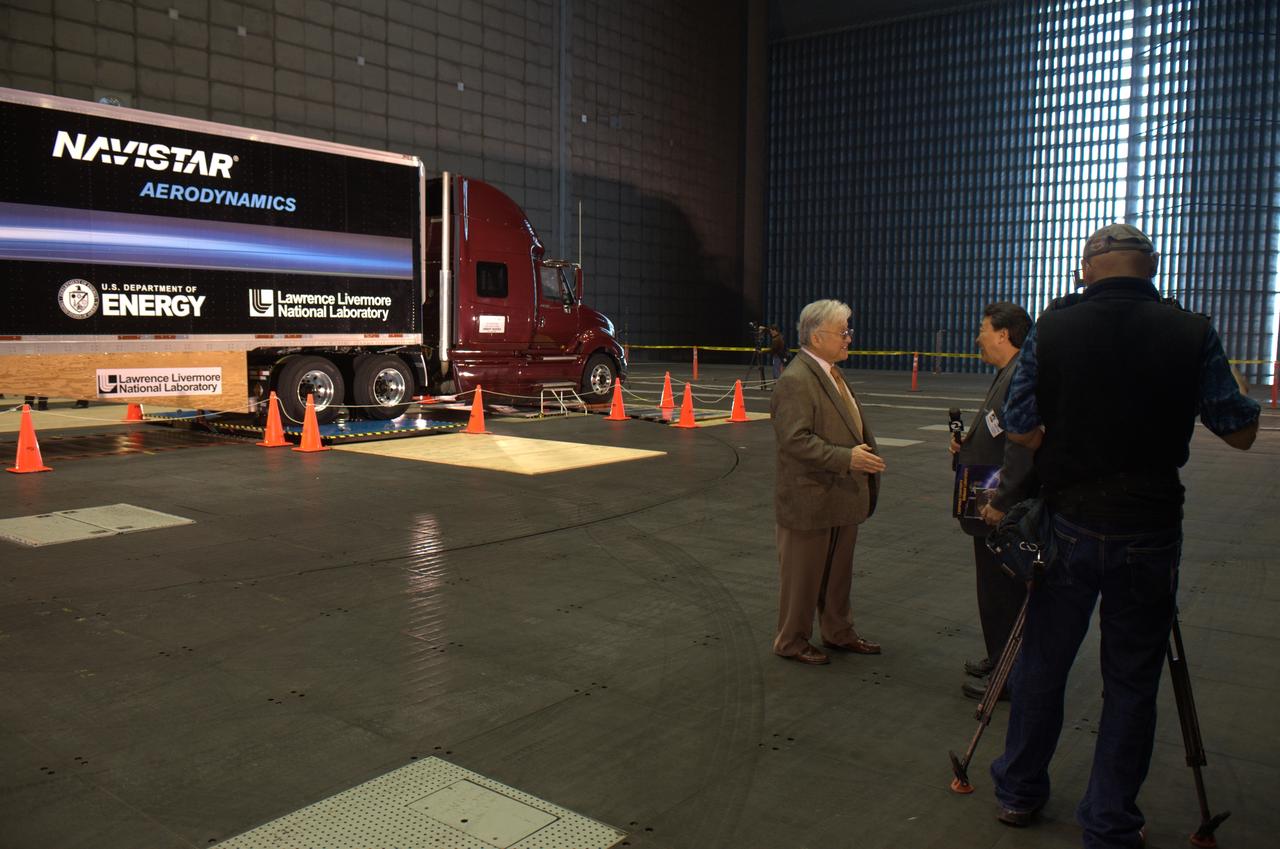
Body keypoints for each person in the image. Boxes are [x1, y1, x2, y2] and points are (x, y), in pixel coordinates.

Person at [992, 223, 1260, 846]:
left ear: (1087, 269)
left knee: (1043, 664)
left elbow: (1021, 427)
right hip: (1150, 528)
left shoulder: (1055, 326)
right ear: (1153, 267)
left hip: (1068, 524)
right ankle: (1110, 823)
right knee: (1133, 680)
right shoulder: (1191, 329)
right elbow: (1240, 430)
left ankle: (1019, 790)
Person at [770, 299, 885, 665]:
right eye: (843, 332)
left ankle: (838, 631)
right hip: (811, 498)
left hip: (840, 495)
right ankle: (791, 640)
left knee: (837, 576)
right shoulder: (796, 379)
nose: (849, 338)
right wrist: (846, 458)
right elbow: (794, 439)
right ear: (818, 337)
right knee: (802, 579)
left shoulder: (830, 371)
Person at [948, 301, 1036, 701]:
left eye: (983, 328)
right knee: (993, 591)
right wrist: (964, 447)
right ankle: (999, 656)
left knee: (1003, 593)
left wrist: (1003, 500)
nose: (978, 336)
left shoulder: (1021, 377)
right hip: (987, 501)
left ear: (1003, 333)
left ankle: (1009, 674)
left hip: (1001, 508)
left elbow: (1022, 448)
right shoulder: (1008, 373)